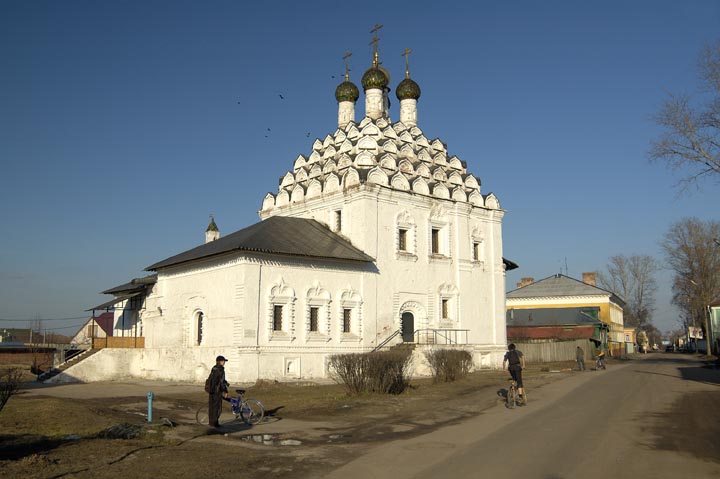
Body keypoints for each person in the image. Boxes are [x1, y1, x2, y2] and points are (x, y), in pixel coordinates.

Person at [207, 355, 229, 427]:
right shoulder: (220, 370)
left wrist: (226, 382)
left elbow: (216, 379)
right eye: (223, 361)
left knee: (212, 407)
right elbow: (221, 382)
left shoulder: (214, 368)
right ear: (220, 362)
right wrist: (225, 391)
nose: (224, 363)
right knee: (217, 407)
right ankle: (215, 423)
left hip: (211, 390)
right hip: (217, 391)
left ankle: (211, 422)